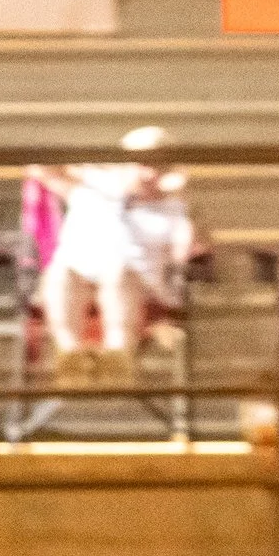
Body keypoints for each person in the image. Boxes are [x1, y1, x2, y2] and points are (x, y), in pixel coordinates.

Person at [32, 126, 192, 389]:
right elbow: (39, 167)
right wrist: (84, 169)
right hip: (80, 278)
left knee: (117, 274)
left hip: (138, 288)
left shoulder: (174, 207)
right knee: (60, 273)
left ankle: (118, 358)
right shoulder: (93, 188)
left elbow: (184, 250)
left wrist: (172, 194)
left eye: (158, 166)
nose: (148, 173)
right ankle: (70, 357)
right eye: (141, 164)